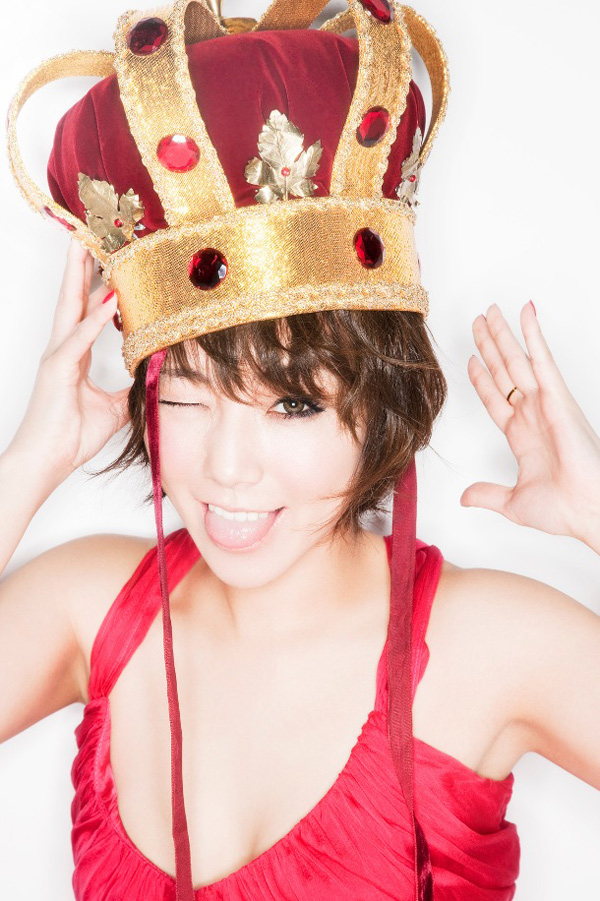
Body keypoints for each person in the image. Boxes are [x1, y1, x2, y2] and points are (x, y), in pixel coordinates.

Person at [2, 1, 600, 899]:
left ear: (380, 403)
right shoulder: (92, 611)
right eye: (186, 395)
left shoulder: (490, 645)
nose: (227, 467)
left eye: (291, 403)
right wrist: (30, 462)